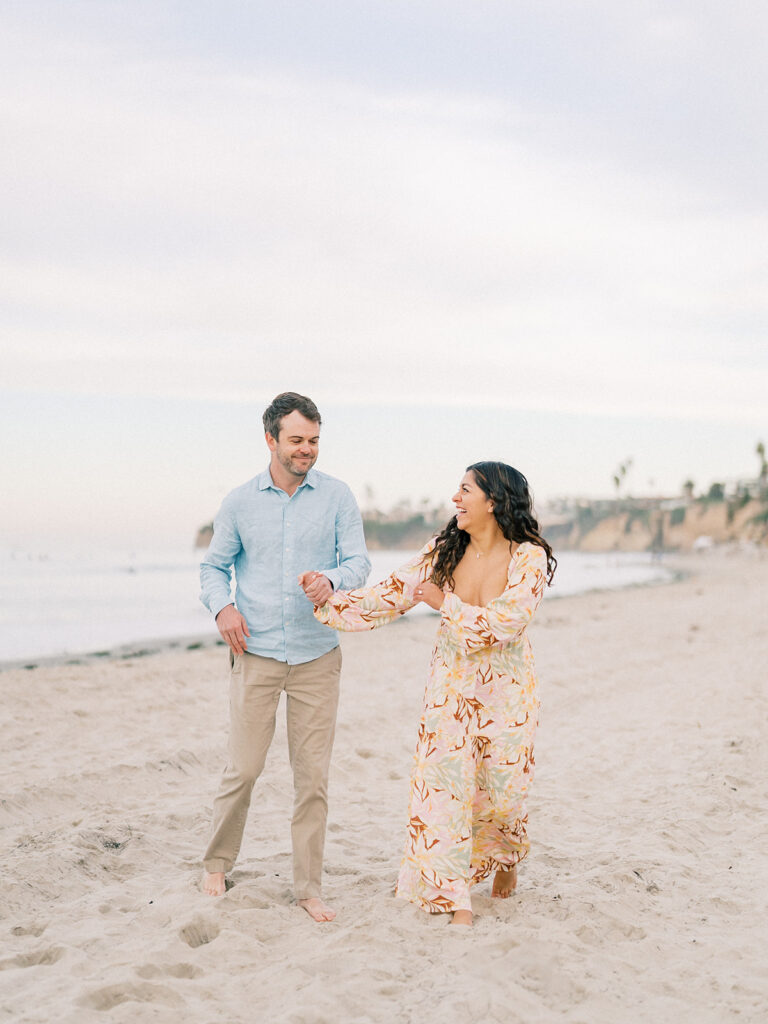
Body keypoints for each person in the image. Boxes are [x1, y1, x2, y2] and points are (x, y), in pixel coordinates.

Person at [301, 461, 556, 926]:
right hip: (451, 688)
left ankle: (506, 858)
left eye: (464, 491)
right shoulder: (444, 550)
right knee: (445, 790)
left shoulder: (528, 558)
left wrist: (445, 604)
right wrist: (328, 600)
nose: (455, 499)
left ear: (494, 501)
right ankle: (457, 898)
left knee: (503, 791)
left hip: (507, 693)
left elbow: (506, 623)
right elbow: (392, 593)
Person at [200, 391, 371, 922]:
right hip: (255, 654)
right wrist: (223, 608)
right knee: (244, 769)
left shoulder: (338, 496)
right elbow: (213, 568)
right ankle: (217, 862)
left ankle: (308, 888)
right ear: (270, 439)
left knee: (312, 778)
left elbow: (359, 563)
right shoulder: (239, 502)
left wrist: (332, 580)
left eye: (314, 440)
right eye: (296, 440)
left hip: (318, 655)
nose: (307, 450)